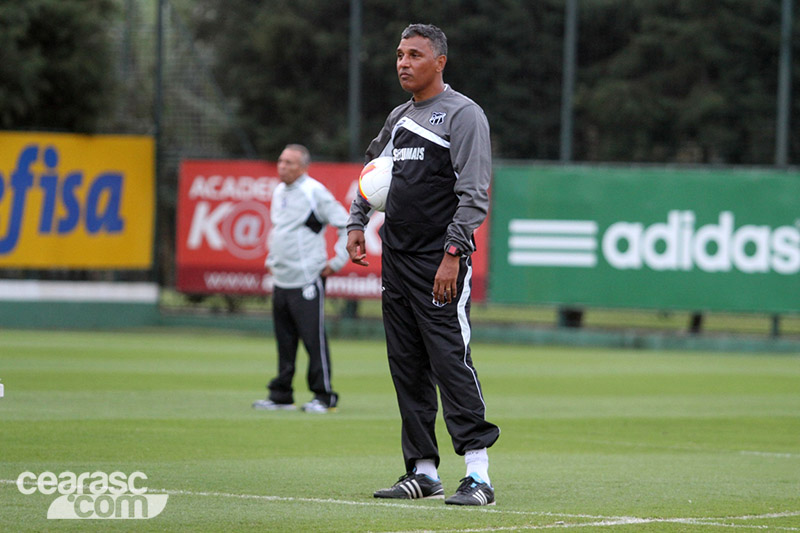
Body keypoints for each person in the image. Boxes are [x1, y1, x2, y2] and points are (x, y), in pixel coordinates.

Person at [346, 24, 500, 505]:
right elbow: (372, 173)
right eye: (398, 54)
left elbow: (474, 194)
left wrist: (454, 253)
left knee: (450, 361)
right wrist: (356, 222)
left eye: (414, 54)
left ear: (440, 62)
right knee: (406, 366)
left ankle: (478, 474)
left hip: (442, 260)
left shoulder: (463, 114)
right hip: (397, 258)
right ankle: (423, 470)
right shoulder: (398, 117)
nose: (403, 62)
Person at [253, 144, 348, 414]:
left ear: (303, 167)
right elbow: (281, 230)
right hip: (282, 278)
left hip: (307, 278)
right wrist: (272, 260)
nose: (282, 166)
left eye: (289, 162)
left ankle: (324, 396)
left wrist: (337, 261)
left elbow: (345, 224)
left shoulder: (313, 191)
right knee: (284, 340)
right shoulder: (279, 191)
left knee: (312, 339)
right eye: (280, 160)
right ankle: (281, 394)